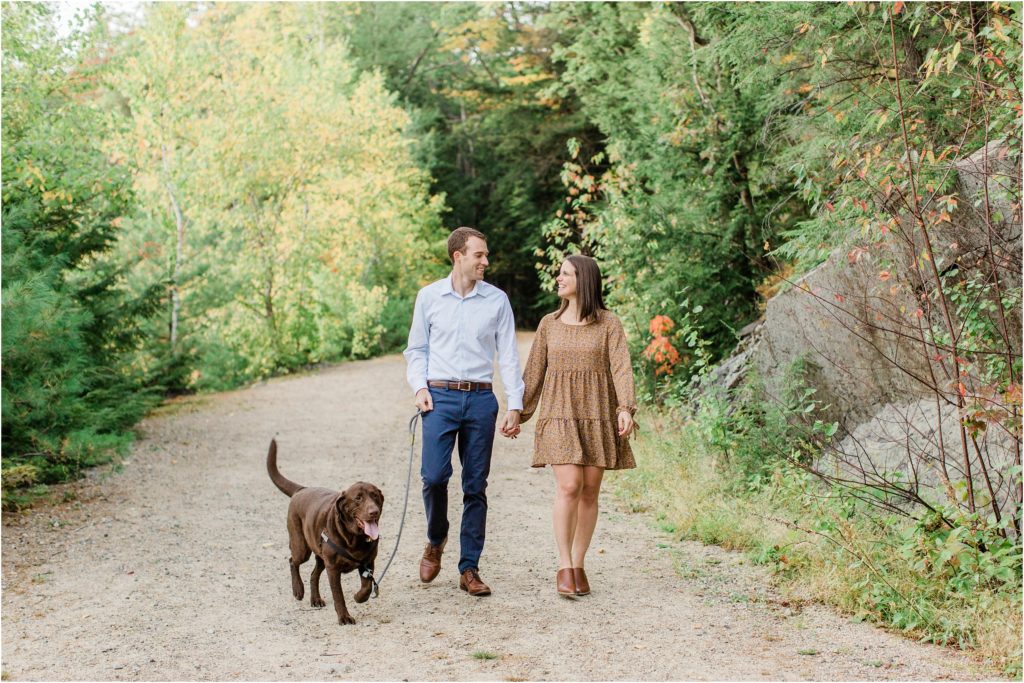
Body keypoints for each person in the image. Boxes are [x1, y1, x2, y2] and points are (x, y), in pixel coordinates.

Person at [403, 227, 524, 597]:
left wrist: (515, 404)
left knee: (475, 485)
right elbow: (416, 350)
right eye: (479, 255)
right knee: (434, 477)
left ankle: (469, 567)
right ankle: (435, 538)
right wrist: (420, 387)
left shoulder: (497, 300)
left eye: (486, 255)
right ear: (459, 256)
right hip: (439, 398)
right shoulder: (429, 297)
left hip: (481, 399)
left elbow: (508, 355)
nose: (486, 261)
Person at [515, 254, 636, 597]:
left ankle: (580, 564)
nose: (559, 278)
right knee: (570, 485)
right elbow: (534, 372)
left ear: (584, 279)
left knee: (590, 490)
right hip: (559, 414)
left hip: (598, 413)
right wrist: (518, 413)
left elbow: (621, 368)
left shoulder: (609, 323)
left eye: (566, 273)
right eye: (559, 273)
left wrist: (625, 408)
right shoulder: (549, 323)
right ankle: (563, 564)